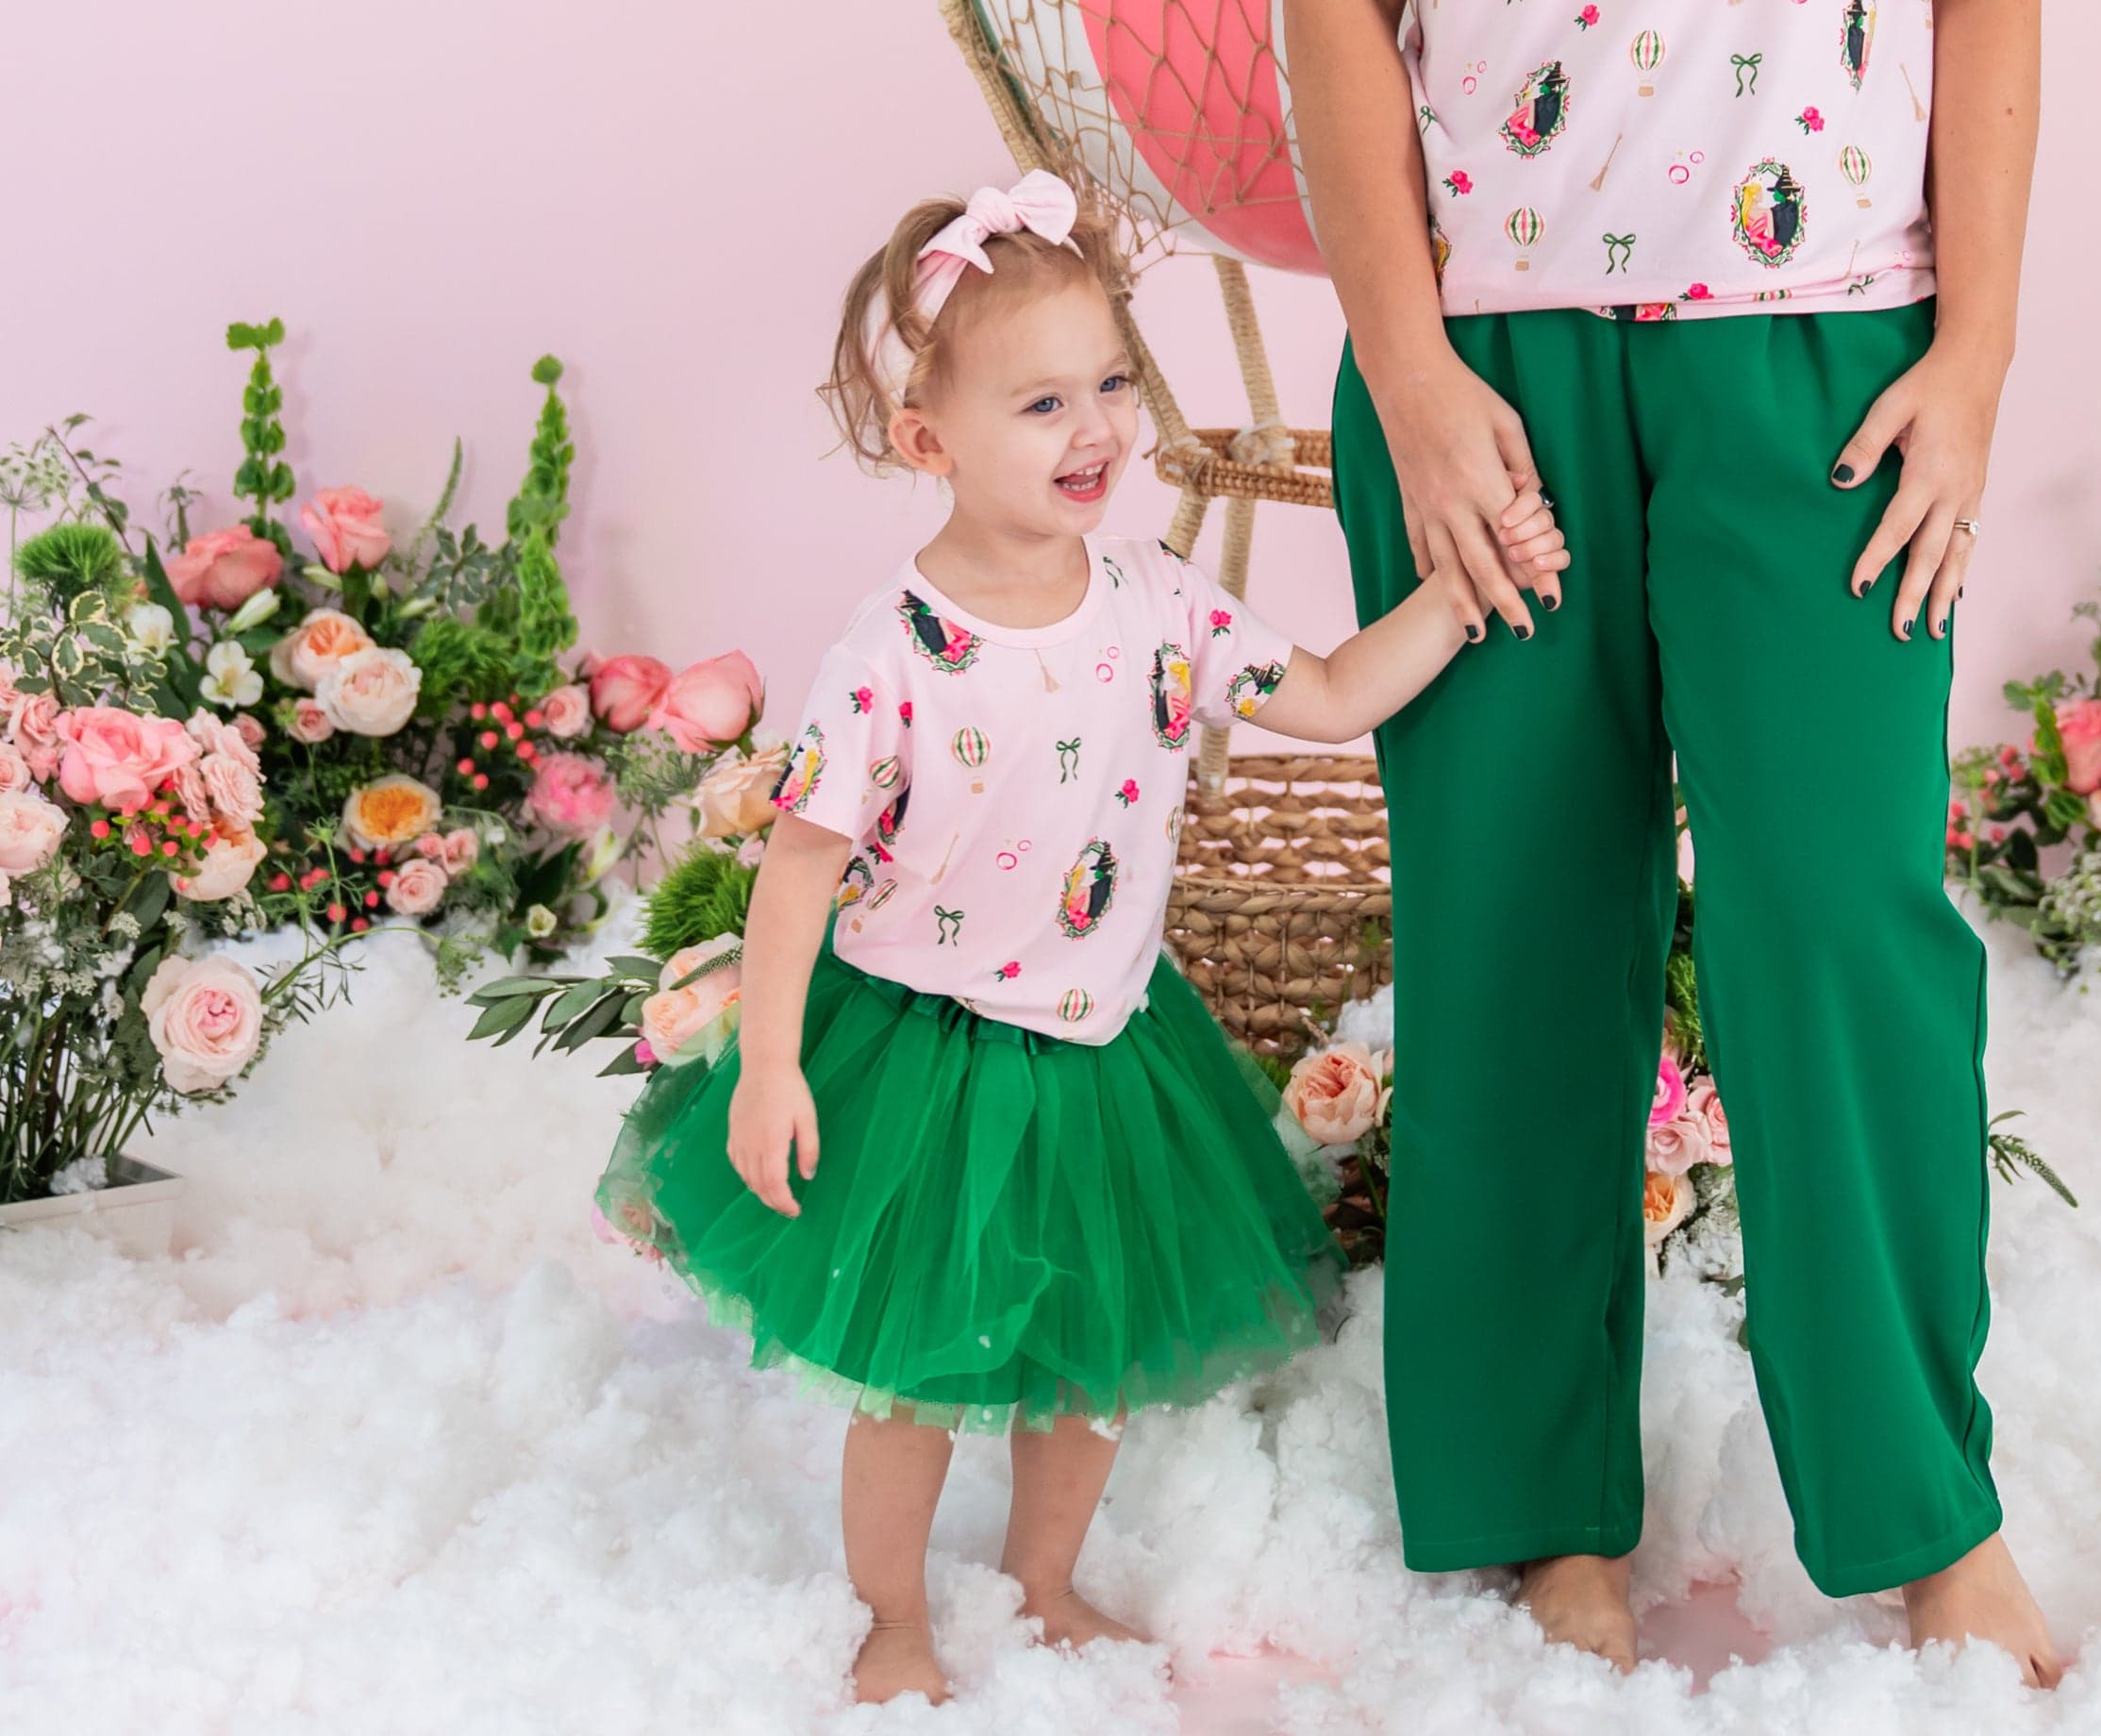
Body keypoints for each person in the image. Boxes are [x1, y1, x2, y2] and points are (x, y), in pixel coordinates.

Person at [1244, 0, 2067, 1685]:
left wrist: (1972, 359)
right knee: (1512, 930)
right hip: (1487, 360)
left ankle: (1926, 1517)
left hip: (1817, 367)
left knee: (1841, 926)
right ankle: (1534, 1506)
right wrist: (1413, 361)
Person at [596, 171, 1566, 1709]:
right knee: (912, 1362)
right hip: (923, 1046)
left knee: (1093, 1344)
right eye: (1043, 403)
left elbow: (1319, 697)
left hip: (1111, 1036)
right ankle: (894, 1611)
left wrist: (1458, 596)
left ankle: (1043, 1580)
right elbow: (796, 873)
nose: (1098, 428)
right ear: (931, 441)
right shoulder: (888, 658)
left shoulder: (1153, 596)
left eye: (1114, 381)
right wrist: (772, 1060)